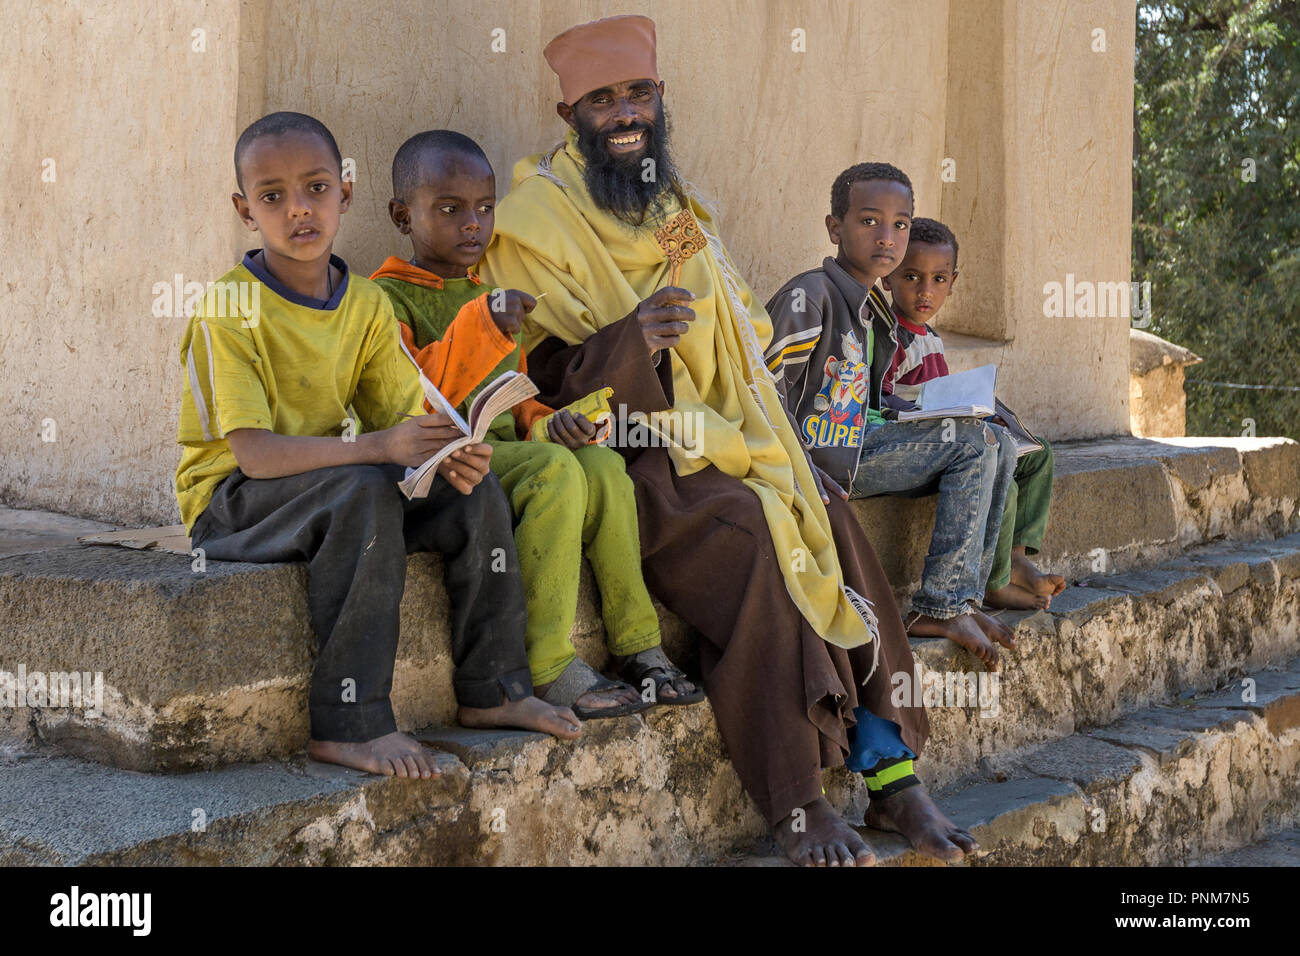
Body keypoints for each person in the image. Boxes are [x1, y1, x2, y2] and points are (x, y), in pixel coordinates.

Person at [481, 16, 978, 866]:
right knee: (752, 533)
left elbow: (739, 314)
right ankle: (797, 800)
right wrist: (634, 339)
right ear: (571, 115)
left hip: (725, 431)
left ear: (659, 100)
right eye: (602, 100)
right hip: (632, 452)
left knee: (822, 506)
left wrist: (736, 382)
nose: (624, 112)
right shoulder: (533, 219)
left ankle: (894, 779)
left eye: (637, 93)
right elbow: (532, 372)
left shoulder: (672, 208)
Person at [174, 112, 581, 781]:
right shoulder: (231, 307)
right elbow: (254, 456)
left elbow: (400, 421)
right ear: (245, 211)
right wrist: (379, 449)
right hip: (233, 505)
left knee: (473, 491)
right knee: (364, 491)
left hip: (325, 490)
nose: (298, 209)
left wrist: (450, 451)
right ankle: (350, 722)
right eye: (272, 197)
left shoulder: (363, 304)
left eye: (315, 188)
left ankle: (493, 689)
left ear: (347, 194)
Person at [371, 129, 702, 718]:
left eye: (484, 207)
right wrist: (485, 326)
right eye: (449, 210)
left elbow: (517, 403)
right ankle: (545, 660)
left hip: (504, 448)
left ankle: (637, 644)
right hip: (441, 453)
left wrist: (557, 423)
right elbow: (415, 396)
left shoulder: (491, 293)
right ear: (402, 215)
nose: (472, 224)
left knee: (601, 465)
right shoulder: (384, 300)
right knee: (553, 472)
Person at [766, 163, 1019, 671]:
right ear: (835, 229)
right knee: (972, 444)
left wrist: (926, 409)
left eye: (900, 223)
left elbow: (869, 400)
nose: (888, 237)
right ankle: (940, 607)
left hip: (860, 447)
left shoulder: (874, 311)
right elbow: (761, 389)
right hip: (822, 465)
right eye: (869, 222)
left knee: (999, 440)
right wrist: (798, 464)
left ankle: (964, 600)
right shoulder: (811, 296)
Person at [881, 217, 1065, 610]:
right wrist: (925, 409)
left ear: (954, 281)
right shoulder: (888, 335)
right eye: (911, 277)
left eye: (939, 279)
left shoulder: (929, 336)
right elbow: (878, 401)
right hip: (922, 446)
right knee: (1005, 480)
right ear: (887, 277)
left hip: (950, 435)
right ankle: (994, 582)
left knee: (1039, 455)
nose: (925, 291)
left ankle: (1017, 558)